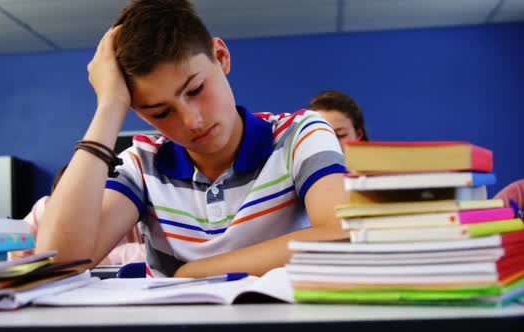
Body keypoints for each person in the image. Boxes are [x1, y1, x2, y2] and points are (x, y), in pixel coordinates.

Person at [36, 0, 349, 278]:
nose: (192, 121)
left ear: (221, 56)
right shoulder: (141, 164)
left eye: (196, 90)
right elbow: (60, 264)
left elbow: (343, 234)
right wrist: (109, 106)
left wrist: (195, 271)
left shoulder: (300, 133)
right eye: (160, 112)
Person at [10, 165, 146, 264]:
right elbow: (12, 247)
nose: (79, 211)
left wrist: (112, 258)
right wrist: (15, 253)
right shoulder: (46, 209)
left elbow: (160, 254)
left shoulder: (131, 211)